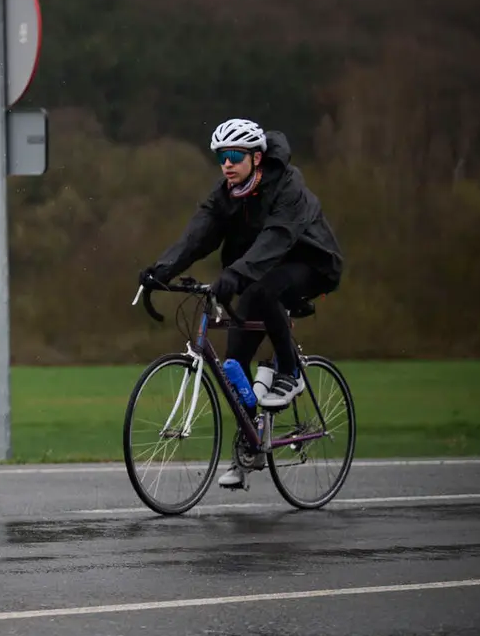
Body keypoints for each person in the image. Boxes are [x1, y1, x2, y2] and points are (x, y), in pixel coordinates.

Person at [139, 118, 344, 489]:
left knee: (265, 289)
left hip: (312, 263)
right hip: (258, 271)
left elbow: (277, 237)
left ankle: (290, 373)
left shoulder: (287, 185)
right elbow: (196, 237)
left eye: (235, 156)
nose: (227, 164)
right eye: (221, 157)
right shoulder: (225, 195)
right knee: (233, 363)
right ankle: (250, 445)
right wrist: (160, 272)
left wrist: (235, 273)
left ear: (256, 158)